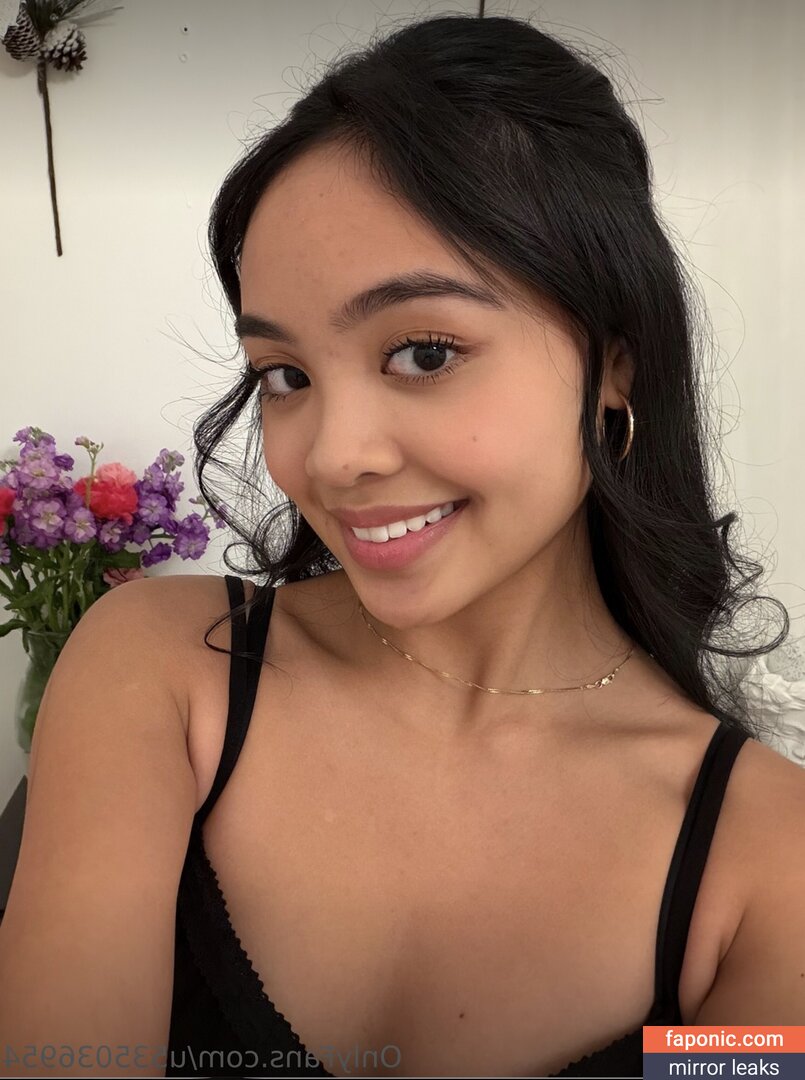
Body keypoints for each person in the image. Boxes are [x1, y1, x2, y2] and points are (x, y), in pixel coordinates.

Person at [1, 12, 804, 1080]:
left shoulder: (768, 869)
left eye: (423, 352)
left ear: (615, 366)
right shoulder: (161, 672)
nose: (333, 457)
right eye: (285, 375)